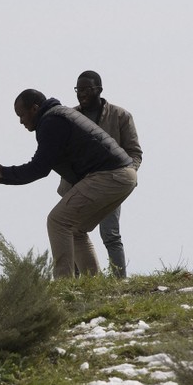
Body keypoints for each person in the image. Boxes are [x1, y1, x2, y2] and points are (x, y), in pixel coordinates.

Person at [0, 89, 137, 278]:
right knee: (75, 229)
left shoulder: (51, 122)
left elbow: (39, 168)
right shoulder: (58, 116)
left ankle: (64, 285)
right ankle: (94, 285)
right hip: (124, 176)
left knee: (57, 221)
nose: (21, 121)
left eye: (22, 115)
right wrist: (0, 177)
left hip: (110, 175)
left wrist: (1, 172)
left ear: (35, 109)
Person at [73, 70, 142, 278]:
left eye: (86, 89)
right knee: (71, 232)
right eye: (78, 89)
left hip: (110, 184)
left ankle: (119, 282)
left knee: (110, 235)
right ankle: (74, 283)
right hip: (79, 185)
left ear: (99, 90)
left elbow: (134, 152)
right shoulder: (71, 116)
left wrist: (127, 175)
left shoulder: (121, 116)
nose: (81, 94)